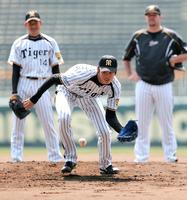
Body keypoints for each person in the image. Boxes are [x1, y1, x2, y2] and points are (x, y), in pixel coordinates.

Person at [23, 55, 123, 175]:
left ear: (115, 73)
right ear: (98, 70)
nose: (107, 76)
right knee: (63, 117)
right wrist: (34, 99)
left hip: (89, 98)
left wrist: (122, 131)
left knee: (105, 132)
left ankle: (106, 165)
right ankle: (70, 159)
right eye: (105, 72)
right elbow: (54, 78)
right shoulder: (83, 74)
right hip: (67, 92)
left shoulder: (115, 87)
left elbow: (110, 117)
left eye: (111, 72)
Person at [123, 5, 187, 163]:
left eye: (154, 14)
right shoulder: (139, 36)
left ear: (160, 17)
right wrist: (131, 74)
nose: (152, 17)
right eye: (149, 15)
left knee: (167, 123)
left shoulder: (170, 35)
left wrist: (175, 59)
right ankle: (141, 157)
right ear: (146, 17)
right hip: (143, 84)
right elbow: (126, 57)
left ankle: (170, 157)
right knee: (142, 122)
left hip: (164, 83)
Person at [8, 10, 64, 163]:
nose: (33, 25)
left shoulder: (50, 42)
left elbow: (55, 69)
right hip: (23, 82)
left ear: (40, 23)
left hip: (43, 84)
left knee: (48, 124)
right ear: (26, 25)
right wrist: (14, 92)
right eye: (30, 23)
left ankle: (55, 157)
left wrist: (58, 90)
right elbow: (15, 70)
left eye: (35, 22)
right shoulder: (19, 43)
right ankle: (16, 158)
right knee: (18, 124)